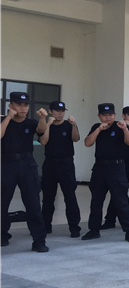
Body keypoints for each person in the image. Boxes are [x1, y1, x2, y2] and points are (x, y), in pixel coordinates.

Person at [82, 103, 129, 243]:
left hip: (116, 168)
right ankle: (94, 230)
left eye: (110, 115)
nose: (108, 118)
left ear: (115, 115)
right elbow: (87, 143)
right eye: (105, 115)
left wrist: (125, 129)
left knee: (121, 200)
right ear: (99, 116)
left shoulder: (119, 126)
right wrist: (99, 129)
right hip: (100, 168)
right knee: (96, 200)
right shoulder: (96, 127)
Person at [1, 92, 49, 252]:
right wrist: (8, 117)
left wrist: (43, 118)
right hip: (7, 163)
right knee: (2, 202)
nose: (23, 108)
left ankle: (39, 240)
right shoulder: (3, 121)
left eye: (25, 105)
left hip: (27, 164)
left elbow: (41, 132)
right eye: (19, 105)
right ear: (11, 106)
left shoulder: (30, 122)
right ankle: (2, 235)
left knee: (33, 203)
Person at [38, 101, 81, 237]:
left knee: (70, 196)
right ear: (50, 111)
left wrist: (74, 125)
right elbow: (43, 141)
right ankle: (46, 226)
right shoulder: (45, 125)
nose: (60, 113)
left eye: (62, 111)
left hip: (66, 164)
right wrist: (49, 124)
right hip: (50, 164)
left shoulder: (69, 125)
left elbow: (76, 138)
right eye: (57, 111)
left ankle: (74, 227)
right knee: (48, 197)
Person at [101, 106, 129, 230]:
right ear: (123, 115)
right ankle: (110, 220)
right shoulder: (118, 129)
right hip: (121, 165)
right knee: (118, 194)